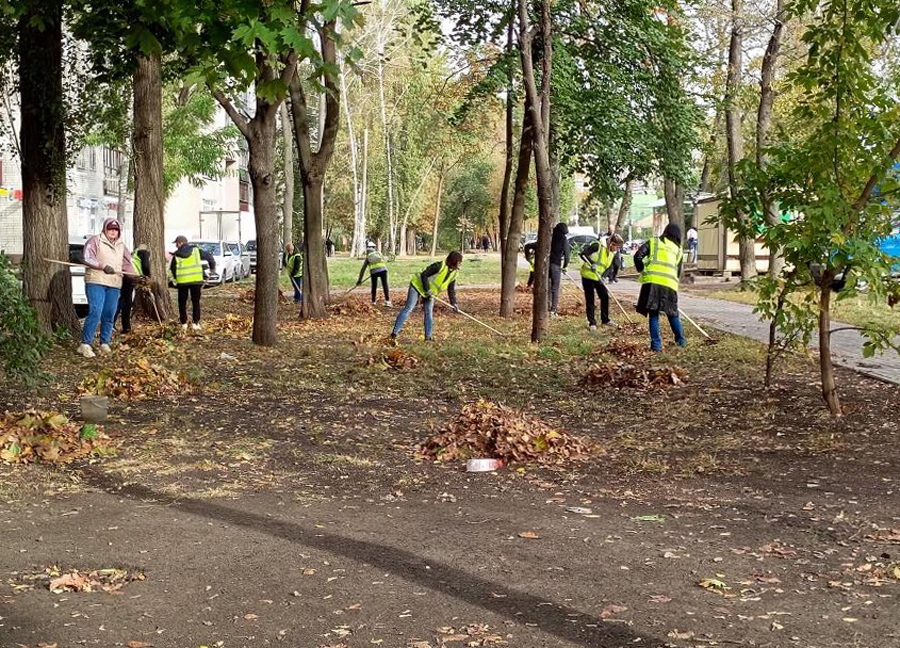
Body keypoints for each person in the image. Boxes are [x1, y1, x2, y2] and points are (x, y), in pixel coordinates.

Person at [77, 218, 135, 357]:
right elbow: (87, 257)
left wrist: (136, 276)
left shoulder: (122, 246)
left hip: (114, 283)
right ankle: (85, 344)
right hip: (96, 280)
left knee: (109, 313)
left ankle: (104, 343)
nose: (113, 232)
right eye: (110, 229)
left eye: (116, 230)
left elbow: (127, 264)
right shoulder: (95, 240)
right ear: (105, 229)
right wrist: (102, 266)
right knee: (96, 310)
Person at [635, 223, 687, 352]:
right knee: (673, 314)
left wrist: (641, 269)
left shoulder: (654, 242)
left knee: (654, 314)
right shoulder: (678, 249)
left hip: (652, 283)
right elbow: (678, 271)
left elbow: (637, 256)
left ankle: (656, 346)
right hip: (669, 284)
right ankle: (681, 341)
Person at [391, 251, 462, 341]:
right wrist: (427, 289)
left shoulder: (454, 274)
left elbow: (451, 290)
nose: (460, 265)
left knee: (429, 313)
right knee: (409, 308)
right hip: (417, 286)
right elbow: (424, 274)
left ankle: (428, 337)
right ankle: (394, 334)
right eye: (459, 262)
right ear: (454, 261)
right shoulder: (439, 266)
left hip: (430, 294)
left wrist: (454, 303)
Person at [170, 235, 216, 331]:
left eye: (177, 244)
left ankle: (184, 323)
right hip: (196, 281)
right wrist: (212, 269)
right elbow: (210, 258)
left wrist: (176, 278)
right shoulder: (196, 251)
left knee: (182, 303)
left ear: (180, 243)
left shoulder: (177, 254)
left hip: (182, 282)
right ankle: (196, 323)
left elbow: (173, 269)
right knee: (196, 302)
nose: (176, 246)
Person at [580, 233, 623, 330]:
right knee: (590, 299)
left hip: (598, 277)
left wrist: (603, 276)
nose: (617, 249)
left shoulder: (612, 253)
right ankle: (592, 323)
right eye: (616, 247)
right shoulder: (597, 245)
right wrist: (591, 264)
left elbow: (608, 267)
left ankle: (605, 320)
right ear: (611, 243)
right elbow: (583, 254)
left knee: (605, 296)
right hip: (587, 276)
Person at [117, 243, 151, 334]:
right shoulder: (144, 252)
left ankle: (114, 321)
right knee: (127, 302)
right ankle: (126, 327)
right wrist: (147, 276)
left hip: (126, 275)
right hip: (131, 276)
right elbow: (146, 266)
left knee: (123, 299)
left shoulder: (134, 253)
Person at [357, 241, 391, 306]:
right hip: (383, 270)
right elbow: (384, 259)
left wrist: (359, 280)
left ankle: (373, 302)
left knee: (374, 286)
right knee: (385, 285)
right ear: (374, 247)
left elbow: (362, 270)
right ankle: (388, 301)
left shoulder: (368, 257)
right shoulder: (378, 253)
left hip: (374, 272)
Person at [549, 223, 570, 316]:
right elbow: (567, 255)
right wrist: (565, 266)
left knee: (547, 286)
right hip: (555, 265)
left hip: (545, 265)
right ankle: (553, 310)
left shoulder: (549, 236)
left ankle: (546, 307)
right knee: (555, 288)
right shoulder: (563, 239)